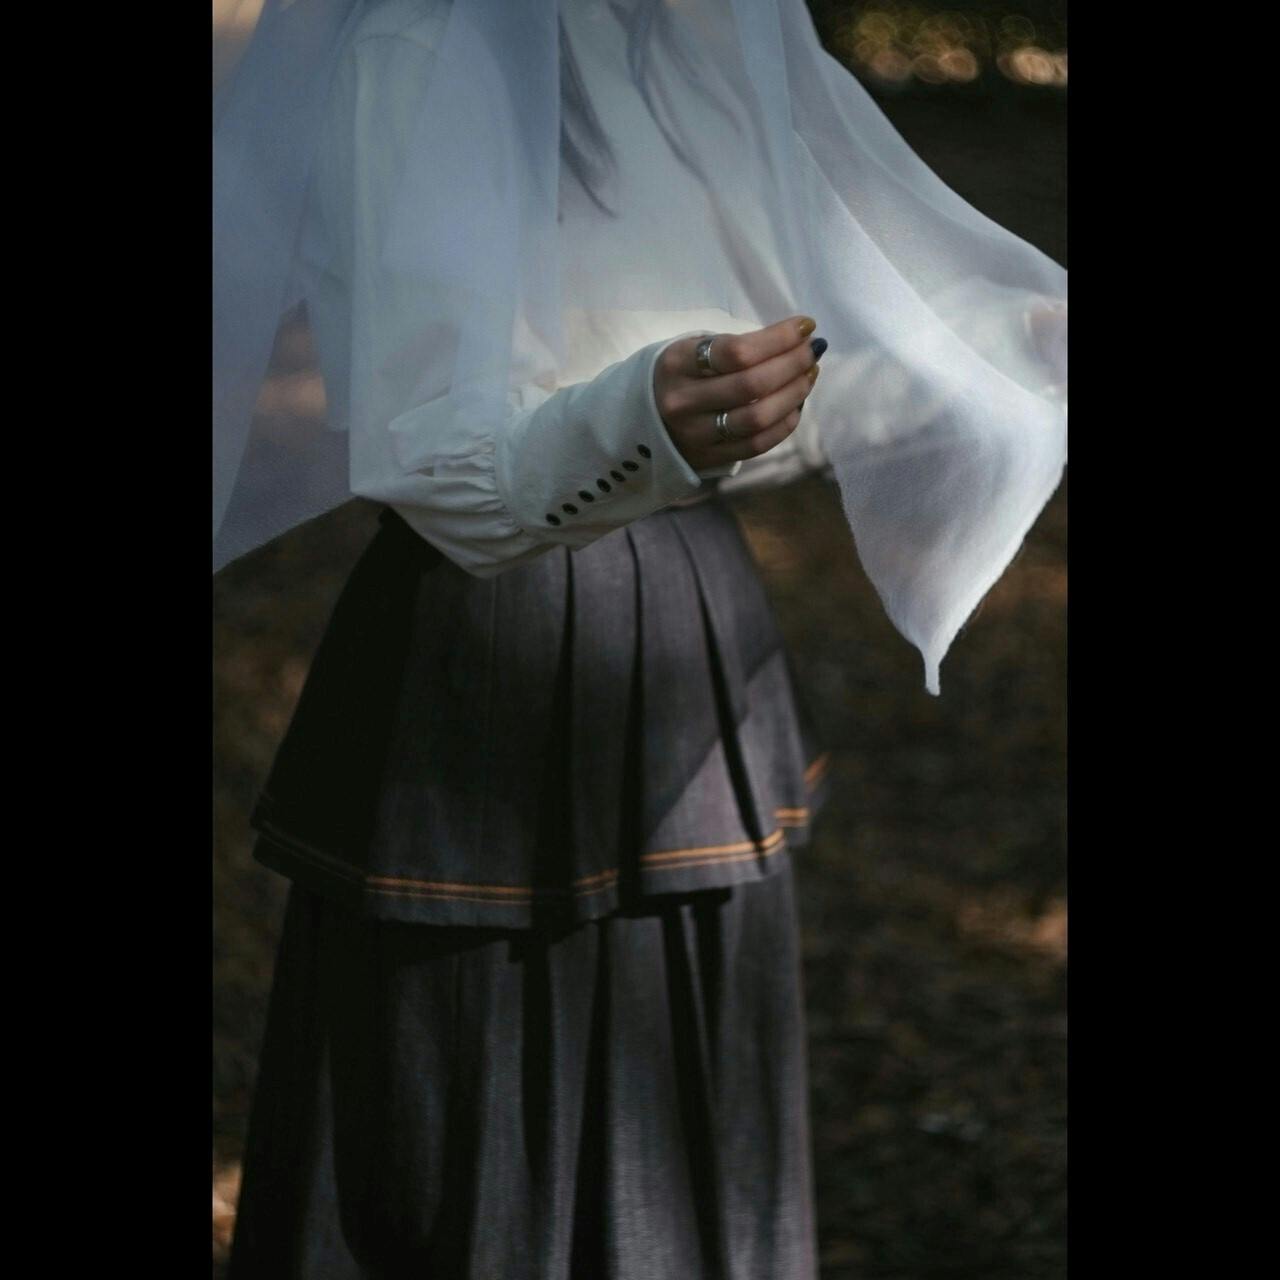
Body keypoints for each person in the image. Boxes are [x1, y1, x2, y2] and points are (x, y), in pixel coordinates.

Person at [215, 2, 1067, 1276]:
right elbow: (432, 454)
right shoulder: (422, 41)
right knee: (481, 1131)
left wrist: (1003, 351)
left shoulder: (693, 27)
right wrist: (637, 419)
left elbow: (796, 366)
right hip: (492, 651)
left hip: (686, 612)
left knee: (683, 1114)